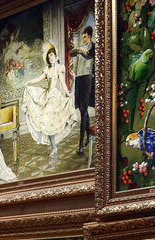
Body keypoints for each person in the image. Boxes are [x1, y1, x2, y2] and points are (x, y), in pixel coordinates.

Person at [22, 43, 76, 159]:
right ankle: (54, 147)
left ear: (56, 56)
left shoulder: (59, 68)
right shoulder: (47, 69)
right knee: (48, 123)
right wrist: (29, 82)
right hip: (47, 95)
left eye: (51, 55)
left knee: (48, 118)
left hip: (54, 96)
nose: (50, 58)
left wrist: (68, 93)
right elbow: (39, 79)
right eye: (49, 56)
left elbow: (62, 82)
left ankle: (47, 140)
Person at [70, 27, 95, 156]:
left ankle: (80, 146)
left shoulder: (93, 48)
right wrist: (80, 49)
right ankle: (87, 138)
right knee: (82, 110)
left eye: (85, 37)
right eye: (82, 37)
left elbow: (89, 55)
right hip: (79, 80)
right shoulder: (81, 49)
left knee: (84, 110)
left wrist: (83, 51)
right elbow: (71, 53)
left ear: (89, 36)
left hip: (87, 79)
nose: (83, 39)